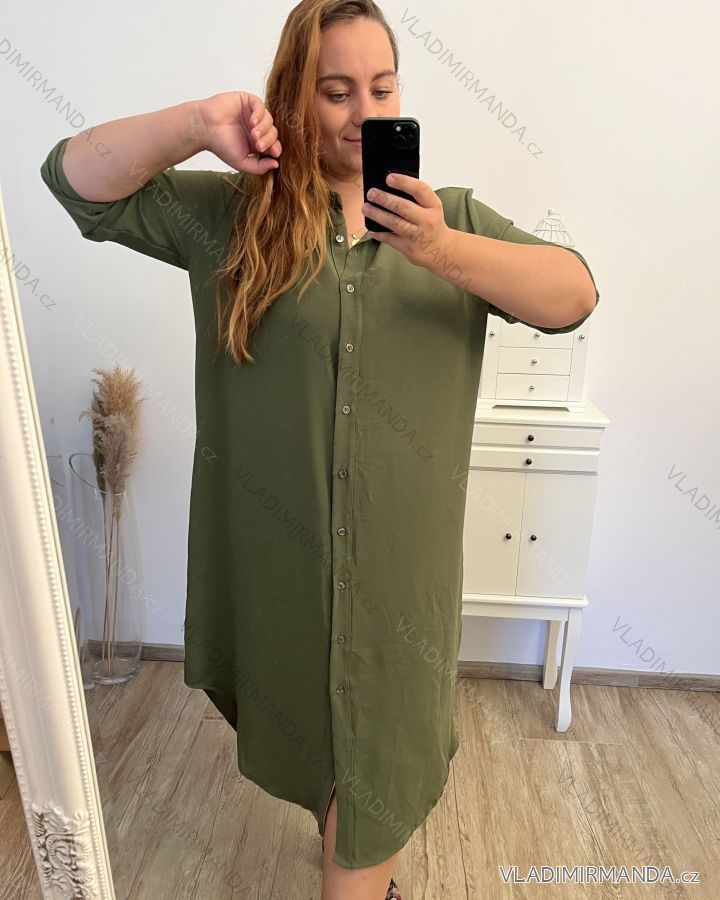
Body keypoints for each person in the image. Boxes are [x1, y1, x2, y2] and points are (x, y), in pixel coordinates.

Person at [39, 2, 599, 898]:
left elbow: (573, 295)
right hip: (280, 575)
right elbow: (74, 182)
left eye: (383, 88)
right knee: (323, 750)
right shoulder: (234, 219)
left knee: (377, 767)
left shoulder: (449, 219)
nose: (363, 113)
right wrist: (198, 123)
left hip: (397, 590)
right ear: (295, 98)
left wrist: (441, 250)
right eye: (336, 91)